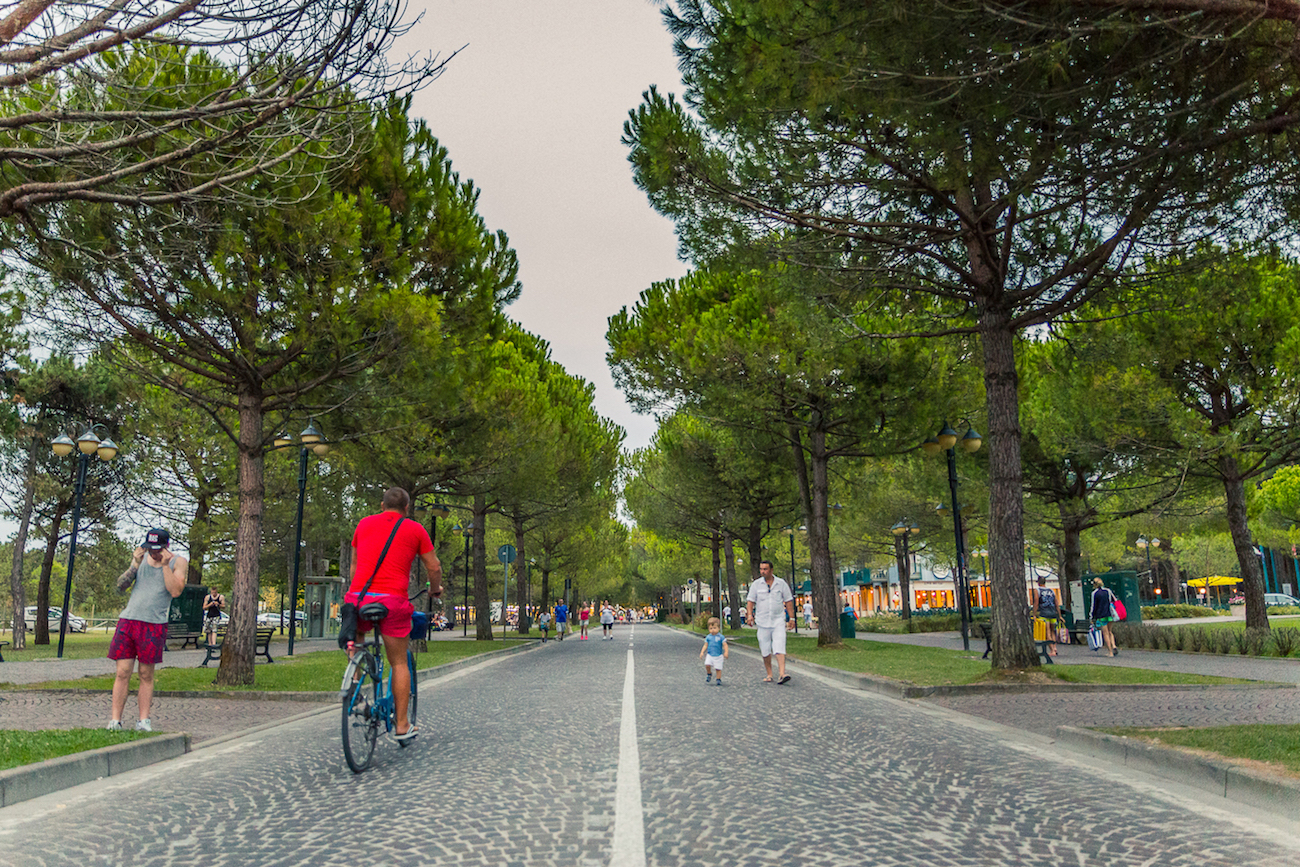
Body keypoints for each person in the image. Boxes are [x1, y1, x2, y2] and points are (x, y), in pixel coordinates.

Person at [346, 487, 442, 741]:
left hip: (359, 597)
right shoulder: (415, 529)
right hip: (392, 602)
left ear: (382, 505)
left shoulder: (364, 524)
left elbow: (355, 565)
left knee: (356, 636)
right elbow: (434, 566)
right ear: (407, 508)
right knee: (399, 661)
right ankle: (401, 725)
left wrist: (357, 591)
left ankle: (354, 684)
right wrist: (435, 589)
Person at [107, 528, 187, 732]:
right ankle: (115, 721)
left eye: (157, 549)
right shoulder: (141, 559)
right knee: (122, 672)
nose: (153, 552)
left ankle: (143, 721)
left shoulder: (177, 562)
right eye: (149, 548)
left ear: (166, 547)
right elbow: (120, 587)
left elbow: (176, 591)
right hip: (129, 620)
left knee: (145, 674)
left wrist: (163, 566)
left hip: (153, 623)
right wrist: (134, 564)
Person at [745, 560, 794, 684]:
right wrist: (749, 615)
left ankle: (782, 674)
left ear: (771, 570)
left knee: (779, 645)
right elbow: (750, 601)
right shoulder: (756, 585)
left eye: (765, 569)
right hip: (762, 622)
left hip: (778, 620)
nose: (763, 571)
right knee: (765, 648)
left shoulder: (781, 583)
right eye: (761, 569)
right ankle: (769, 673)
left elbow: (788, 601)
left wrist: (792, 618)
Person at [1030, 575, 1060, 658]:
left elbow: (1036, 603)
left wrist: (1034, 614)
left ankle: (1052, 650)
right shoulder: (1052, 591)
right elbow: (1056, 603)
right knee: (1053, 631)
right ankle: (1055, 648)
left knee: (1047, 633)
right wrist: (1059, 615)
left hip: (1044, 613)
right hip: (1053, 613)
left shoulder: (1038, 591)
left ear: (1039, 583)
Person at [1090, 576, 1119, 657]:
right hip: (1109, 613)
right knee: (1110, 632)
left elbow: (1093, 606)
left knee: (1105, 633)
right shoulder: (1108, 591)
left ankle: (1110, 652)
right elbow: (1114, 600)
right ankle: (1114, 646)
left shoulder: (1094, 593)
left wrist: (1091, 617)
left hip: (1101, 615)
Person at [699, 616, 729, 686]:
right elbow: (705, 645)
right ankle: (709, 673)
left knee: (718, 668)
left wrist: (726, 652)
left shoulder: (721, 637)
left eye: (714, 628)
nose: (712, 630)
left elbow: (725, 645)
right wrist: (702, 652)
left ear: (719, 628)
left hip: (718, 655)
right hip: (710, 654)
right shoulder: (708, 637)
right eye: (711, 628)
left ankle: (718, 679)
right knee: (707, 664)